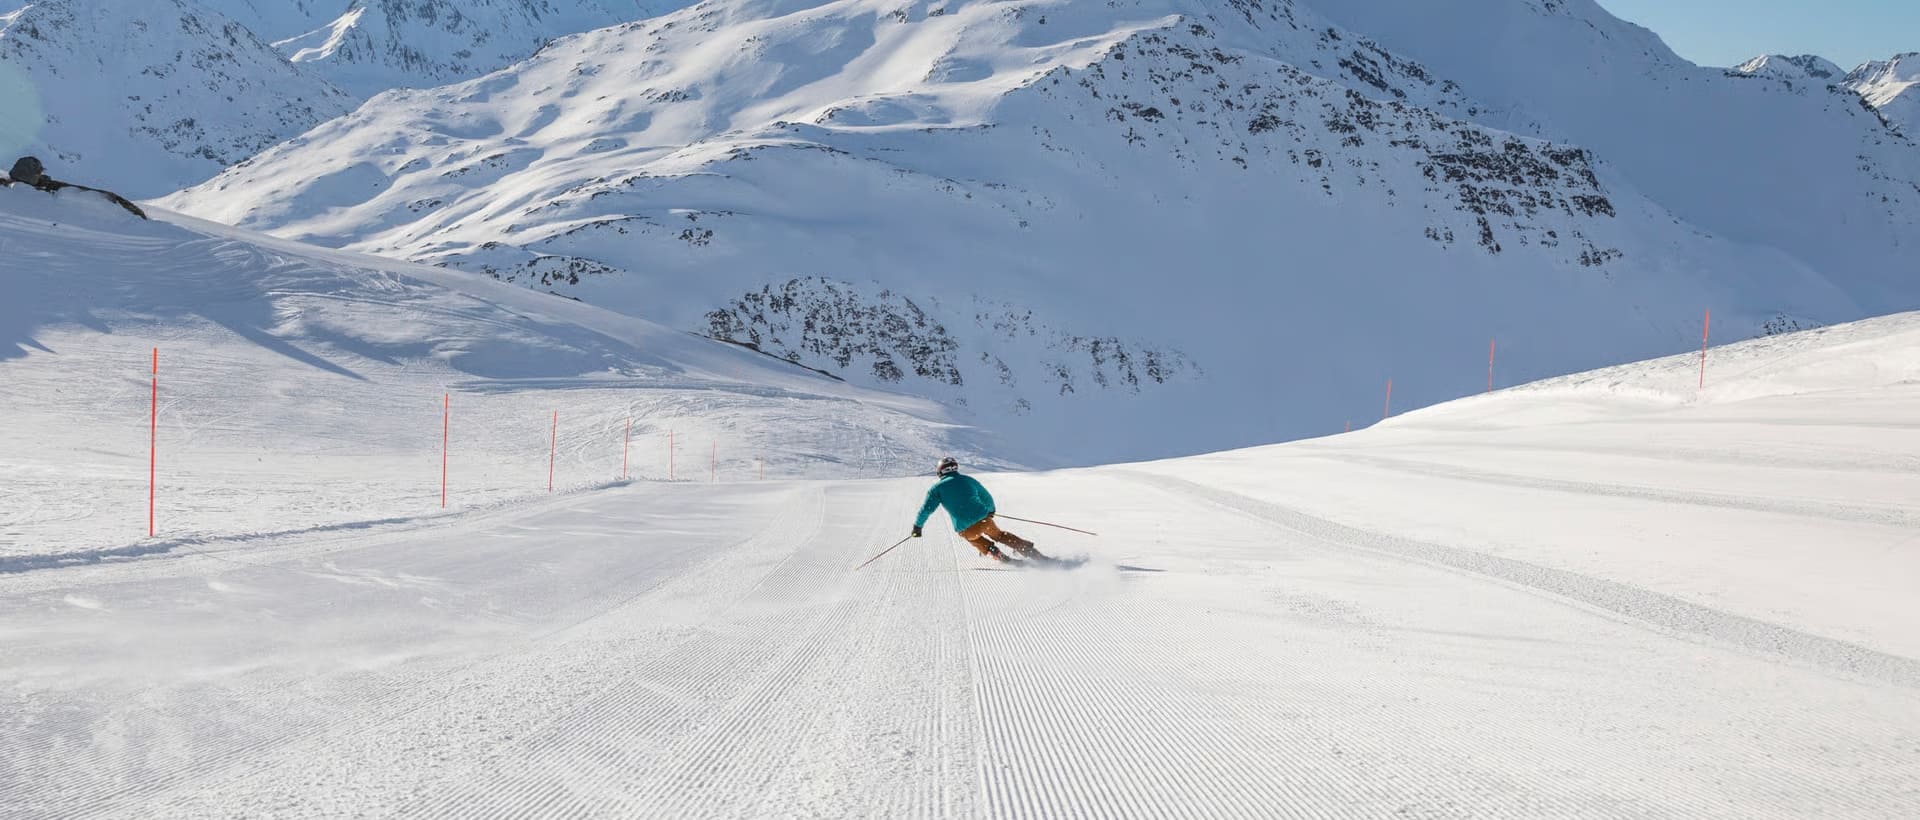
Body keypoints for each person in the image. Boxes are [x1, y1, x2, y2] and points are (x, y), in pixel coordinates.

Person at [911, 457, 1046, 563]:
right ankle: (1028, 550)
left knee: (973, 538)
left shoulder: (936, 489)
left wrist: (918, 527)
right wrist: (991, 511)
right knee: (999, 535)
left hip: (966, 529)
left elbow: (926, 510)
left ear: (940, 471)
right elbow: (986, 496)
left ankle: (994, 552)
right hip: (984, 520)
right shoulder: (969, 480)